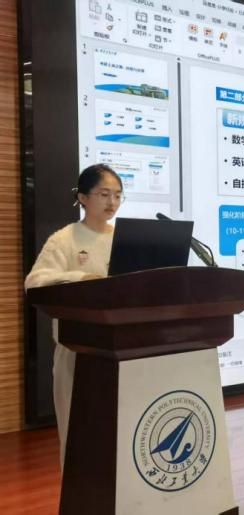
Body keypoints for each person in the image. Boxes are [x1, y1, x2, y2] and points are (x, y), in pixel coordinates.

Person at [25, 163, 124, 468]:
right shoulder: (65, 239)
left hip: (122, 348)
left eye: (118, 195)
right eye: (103, 194)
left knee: (119, 433)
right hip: (79, 350)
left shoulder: (124, 238)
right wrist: (80, 278)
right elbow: (35, 282)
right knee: (79, 430)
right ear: (82, 197)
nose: (112, 202)